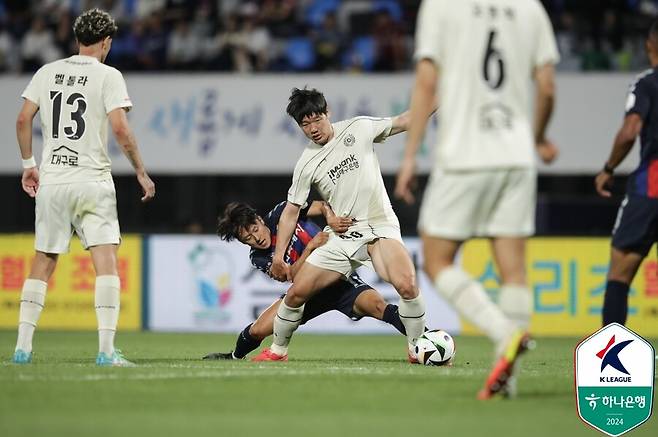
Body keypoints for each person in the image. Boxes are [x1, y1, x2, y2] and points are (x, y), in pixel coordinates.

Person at [394, 0, 559, 399]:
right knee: (514, 270)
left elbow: (427, 82)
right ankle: (510, 383)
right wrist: (536, 137)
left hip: (464, 155)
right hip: (517, 157)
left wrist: (411, 154)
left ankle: (506, 333)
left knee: (436, 259)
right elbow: (548, 87)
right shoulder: (530, 9)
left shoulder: (441, 7)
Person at [12, 9, 155, 366]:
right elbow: (121, 129)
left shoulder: (47, 72)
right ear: (106, 42)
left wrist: (30, 165)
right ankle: (106, 351)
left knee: (43, 261)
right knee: (105, 264)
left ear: (77, 38)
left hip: (54, 181)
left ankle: (22, 348)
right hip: (92, 181)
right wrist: (140, 171)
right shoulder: (108, 75)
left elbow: (22, 119)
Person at [252, 87, 430, 363]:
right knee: (297, 292)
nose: (312, 128)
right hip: (342, 234)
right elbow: (291, 212)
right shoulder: (306, 163)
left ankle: (416, 348)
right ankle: (278, 351)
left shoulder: (359, 128)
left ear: (327, 113)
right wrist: (278, 256)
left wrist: (440, 96)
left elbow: (406, 120)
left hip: (378, 225)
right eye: (305, 124)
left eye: (316, 119)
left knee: (407, 285)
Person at [202, 200, 409, 361]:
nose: (256, 239)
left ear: (259, 219)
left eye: (255, 229)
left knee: (379, 306)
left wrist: (329, 216)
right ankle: (235, 356)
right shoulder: (258, 257)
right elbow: (291, 276)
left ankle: (425, 340)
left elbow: (321, 205)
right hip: (304, 294)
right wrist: (310, 247)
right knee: (257, 329)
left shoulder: (283, 213)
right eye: (247, 239)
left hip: (337, 280)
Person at [595, 21, 658, 329]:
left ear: (650, 44)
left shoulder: (647, 83)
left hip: (651, 187)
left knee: (619, 274)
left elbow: (630, 130)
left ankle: (611, 354)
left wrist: (608, 168)